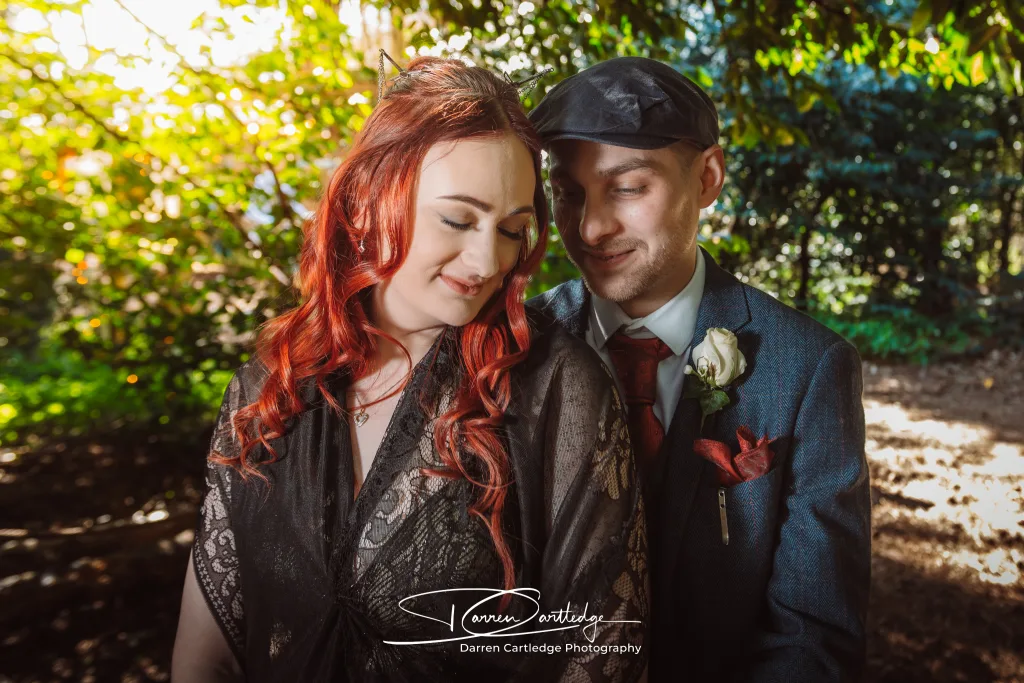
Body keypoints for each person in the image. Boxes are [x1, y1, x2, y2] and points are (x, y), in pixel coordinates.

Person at [171, 56, 649, 683]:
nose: (487, 259)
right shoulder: (267, 390)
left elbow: (601, 652)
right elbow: (206, 654)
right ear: (370, 199)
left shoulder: (556, 387)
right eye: (457, 219)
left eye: (512, 229)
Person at [527, 57, 870, 682]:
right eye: (568, 191)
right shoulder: (517, 347)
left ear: (707, 177)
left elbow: (811, 635)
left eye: (628, 187)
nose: (591, 227)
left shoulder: (811, 368)